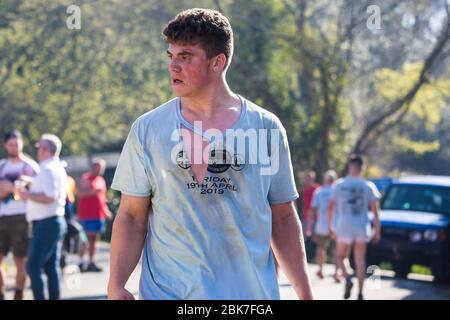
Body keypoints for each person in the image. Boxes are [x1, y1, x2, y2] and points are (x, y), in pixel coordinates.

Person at [108, 8, 313, 300]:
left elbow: (282, 218)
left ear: (217, 62)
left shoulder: (266, 128)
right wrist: (116, 284)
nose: (172, 67)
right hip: (168, 295)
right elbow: (130, 216)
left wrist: (305, 292)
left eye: (185, 57)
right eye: (171, 56)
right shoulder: (148, 129)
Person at [18, 134, 68, 300]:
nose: (38, 150)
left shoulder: (47, 168)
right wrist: (32, 182)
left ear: (46, 149)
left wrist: (26, 194)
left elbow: (49, 197)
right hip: (53, 221)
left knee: (32, 267)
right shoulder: (55, 167)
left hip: (46, 223)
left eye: (40, 147)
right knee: (51, 267)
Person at [328, 155, 381, 300]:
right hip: (361, 226)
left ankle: (348, 276)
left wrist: (330, 226)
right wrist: (377, 229)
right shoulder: (368, 185)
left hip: (344, 224)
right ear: (361, 168)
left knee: (340, 256)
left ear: (350, 166)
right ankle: (360, 292)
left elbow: (330, 207)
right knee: (360, 259)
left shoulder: (339, 184)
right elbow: (376, 210)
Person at [0, 130, 39, 300]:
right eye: (10, 144)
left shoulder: (30, 166)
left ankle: (18, 294)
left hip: (22, 217)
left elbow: (39, 189)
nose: (14, 147)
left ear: (21, 143)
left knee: (20, 261)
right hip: (2, 216)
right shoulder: (2, 165)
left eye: (17, 144)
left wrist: (13, 188)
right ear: (5, 145)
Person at [77, 159, 112, 272]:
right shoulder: (85, 178)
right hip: (87, 214)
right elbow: (80, 194)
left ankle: (91, 262)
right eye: (97, 167)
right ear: (92, 167)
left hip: (99, 215)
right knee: (85, 240)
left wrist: (106, 211)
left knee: (94, 240)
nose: (99, 170)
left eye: (101, 168)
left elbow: (103, 199)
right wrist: (93, 192)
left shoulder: (101, 180)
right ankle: (81, 262)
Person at [306, 170, 340, 282]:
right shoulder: (337, 191)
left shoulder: (319, 191)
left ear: (325, 179)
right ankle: (336, 273)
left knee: (321, 249)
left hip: (321, 224)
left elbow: (313, 210)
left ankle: (320, 269)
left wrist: (310, 226)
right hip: (336, 225)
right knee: (336, 250)